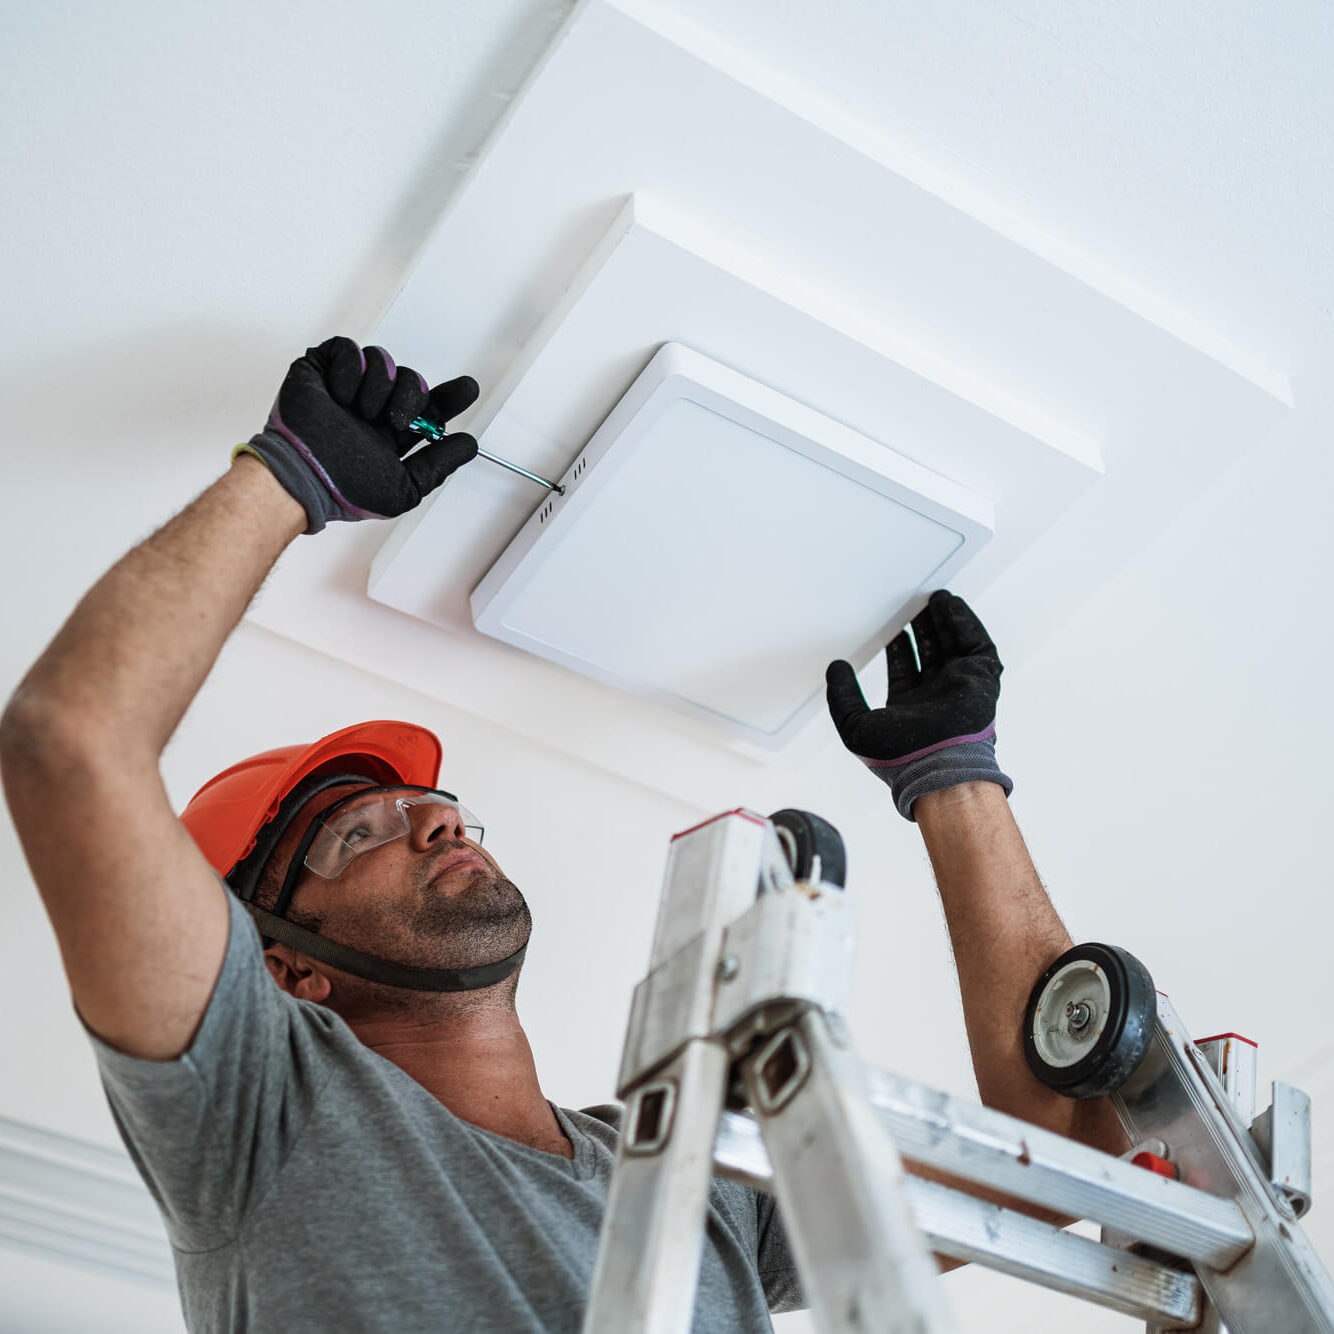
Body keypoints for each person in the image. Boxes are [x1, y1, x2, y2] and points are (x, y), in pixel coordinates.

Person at [0, 338, 1126, 1332]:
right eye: (358, 832)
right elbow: (69, 745)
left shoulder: (688, 1175)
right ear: (287, 967)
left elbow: (1058, 1150)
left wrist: (952, 781)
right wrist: (287, 480)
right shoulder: (259, 1114)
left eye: (430, 806)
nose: (434, 814)